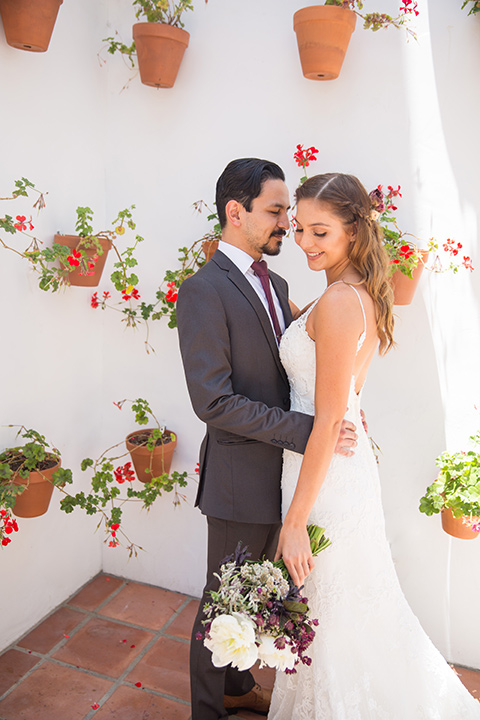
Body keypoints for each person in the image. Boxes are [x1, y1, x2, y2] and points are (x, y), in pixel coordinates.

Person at [268, 173, 480, 719]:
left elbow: (325, 419)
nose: (306, 243)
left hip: (326, 475)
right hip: (334, 462)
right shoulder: (347, 291)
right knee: (342, 611)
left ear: (353, 232)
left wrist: (294, 522)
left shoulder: (339, 301)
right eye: (299, 230)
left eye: (320, 232)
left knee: (335, 617)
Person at [176, 158, 358, 720]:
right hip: (237, 478)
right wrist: (307, 431)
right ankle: (209, 710)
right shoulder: (203, 290)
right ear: (237, 212)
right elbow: (214, 402)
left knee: (257, 593)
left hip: (283, 474)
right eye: (277, 212)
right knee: (220, 603)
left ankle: (239, 690)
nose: (289, 224)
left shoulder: (276, 282)